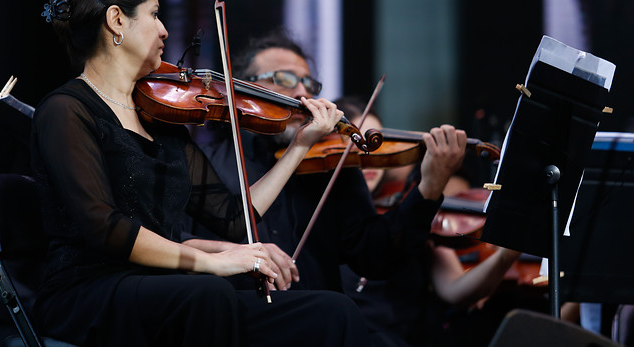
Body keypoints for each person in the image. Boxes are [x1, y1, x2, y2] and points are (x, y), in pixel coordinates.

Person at [31, 0, 372, 347]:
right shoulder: (66, 110)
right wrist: (215, 262)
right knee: (208, 293)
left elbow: (233, 219)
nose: (164, 31)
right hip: (89, 293)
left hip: (168, 290)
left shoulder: (160, 118)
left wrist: (300, 146)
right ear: (116, 20)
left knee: (332, 312)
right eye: (155, 14)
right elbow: (105, 229)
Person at [198, 29, 467, 344]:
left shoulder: (330, 163)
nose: (301, 93)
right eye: (283, 79)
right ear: (245, 87)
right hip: (240, 327)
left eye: (308, 84)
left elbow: (375, 255)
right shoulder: (208, 162)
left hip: (323, 330)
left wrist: (429, 188)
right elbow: (182, 246)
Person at [336, 95, 546, 346]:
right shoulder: (320, 213)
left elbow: (455, 290)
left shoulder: (410, 211)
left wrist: (506, 254)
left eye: (375, 142)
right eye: (355, 141)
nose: (366, 152)